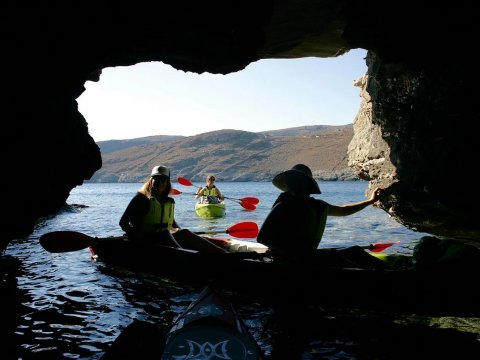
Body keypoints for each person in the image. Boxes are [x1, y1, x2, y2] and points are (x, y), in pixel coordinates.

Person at [257, 164, 385, 266]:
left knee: (355, 251)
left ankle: (391, 272)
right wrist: (292, 253)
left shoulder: (319, 206)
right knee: (336, 257)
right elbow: (262, 238)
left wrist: (370, 201)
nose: (295, 184)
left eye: (298, 181)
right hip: (289, 261)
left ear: (307, 185)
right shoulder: (283, 206)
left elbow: (343, 210)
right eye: (293, 181)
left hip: (308, 258)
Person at [119, 165, 227, 253]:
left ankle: (224, 254)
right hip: (146, 240)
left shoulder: (166, 201)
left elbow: (172, 223)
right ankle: (187, 256)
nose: (159, 182)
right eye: (156, 179)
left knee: (184, 232)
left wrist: (182, 233)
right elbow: (123, 222)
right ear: (151, 181)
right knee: (165, 233)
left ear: (167, 183)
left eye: (163, 179)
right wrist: (134, 235)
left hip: (163, 238)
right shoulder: (140, 199)